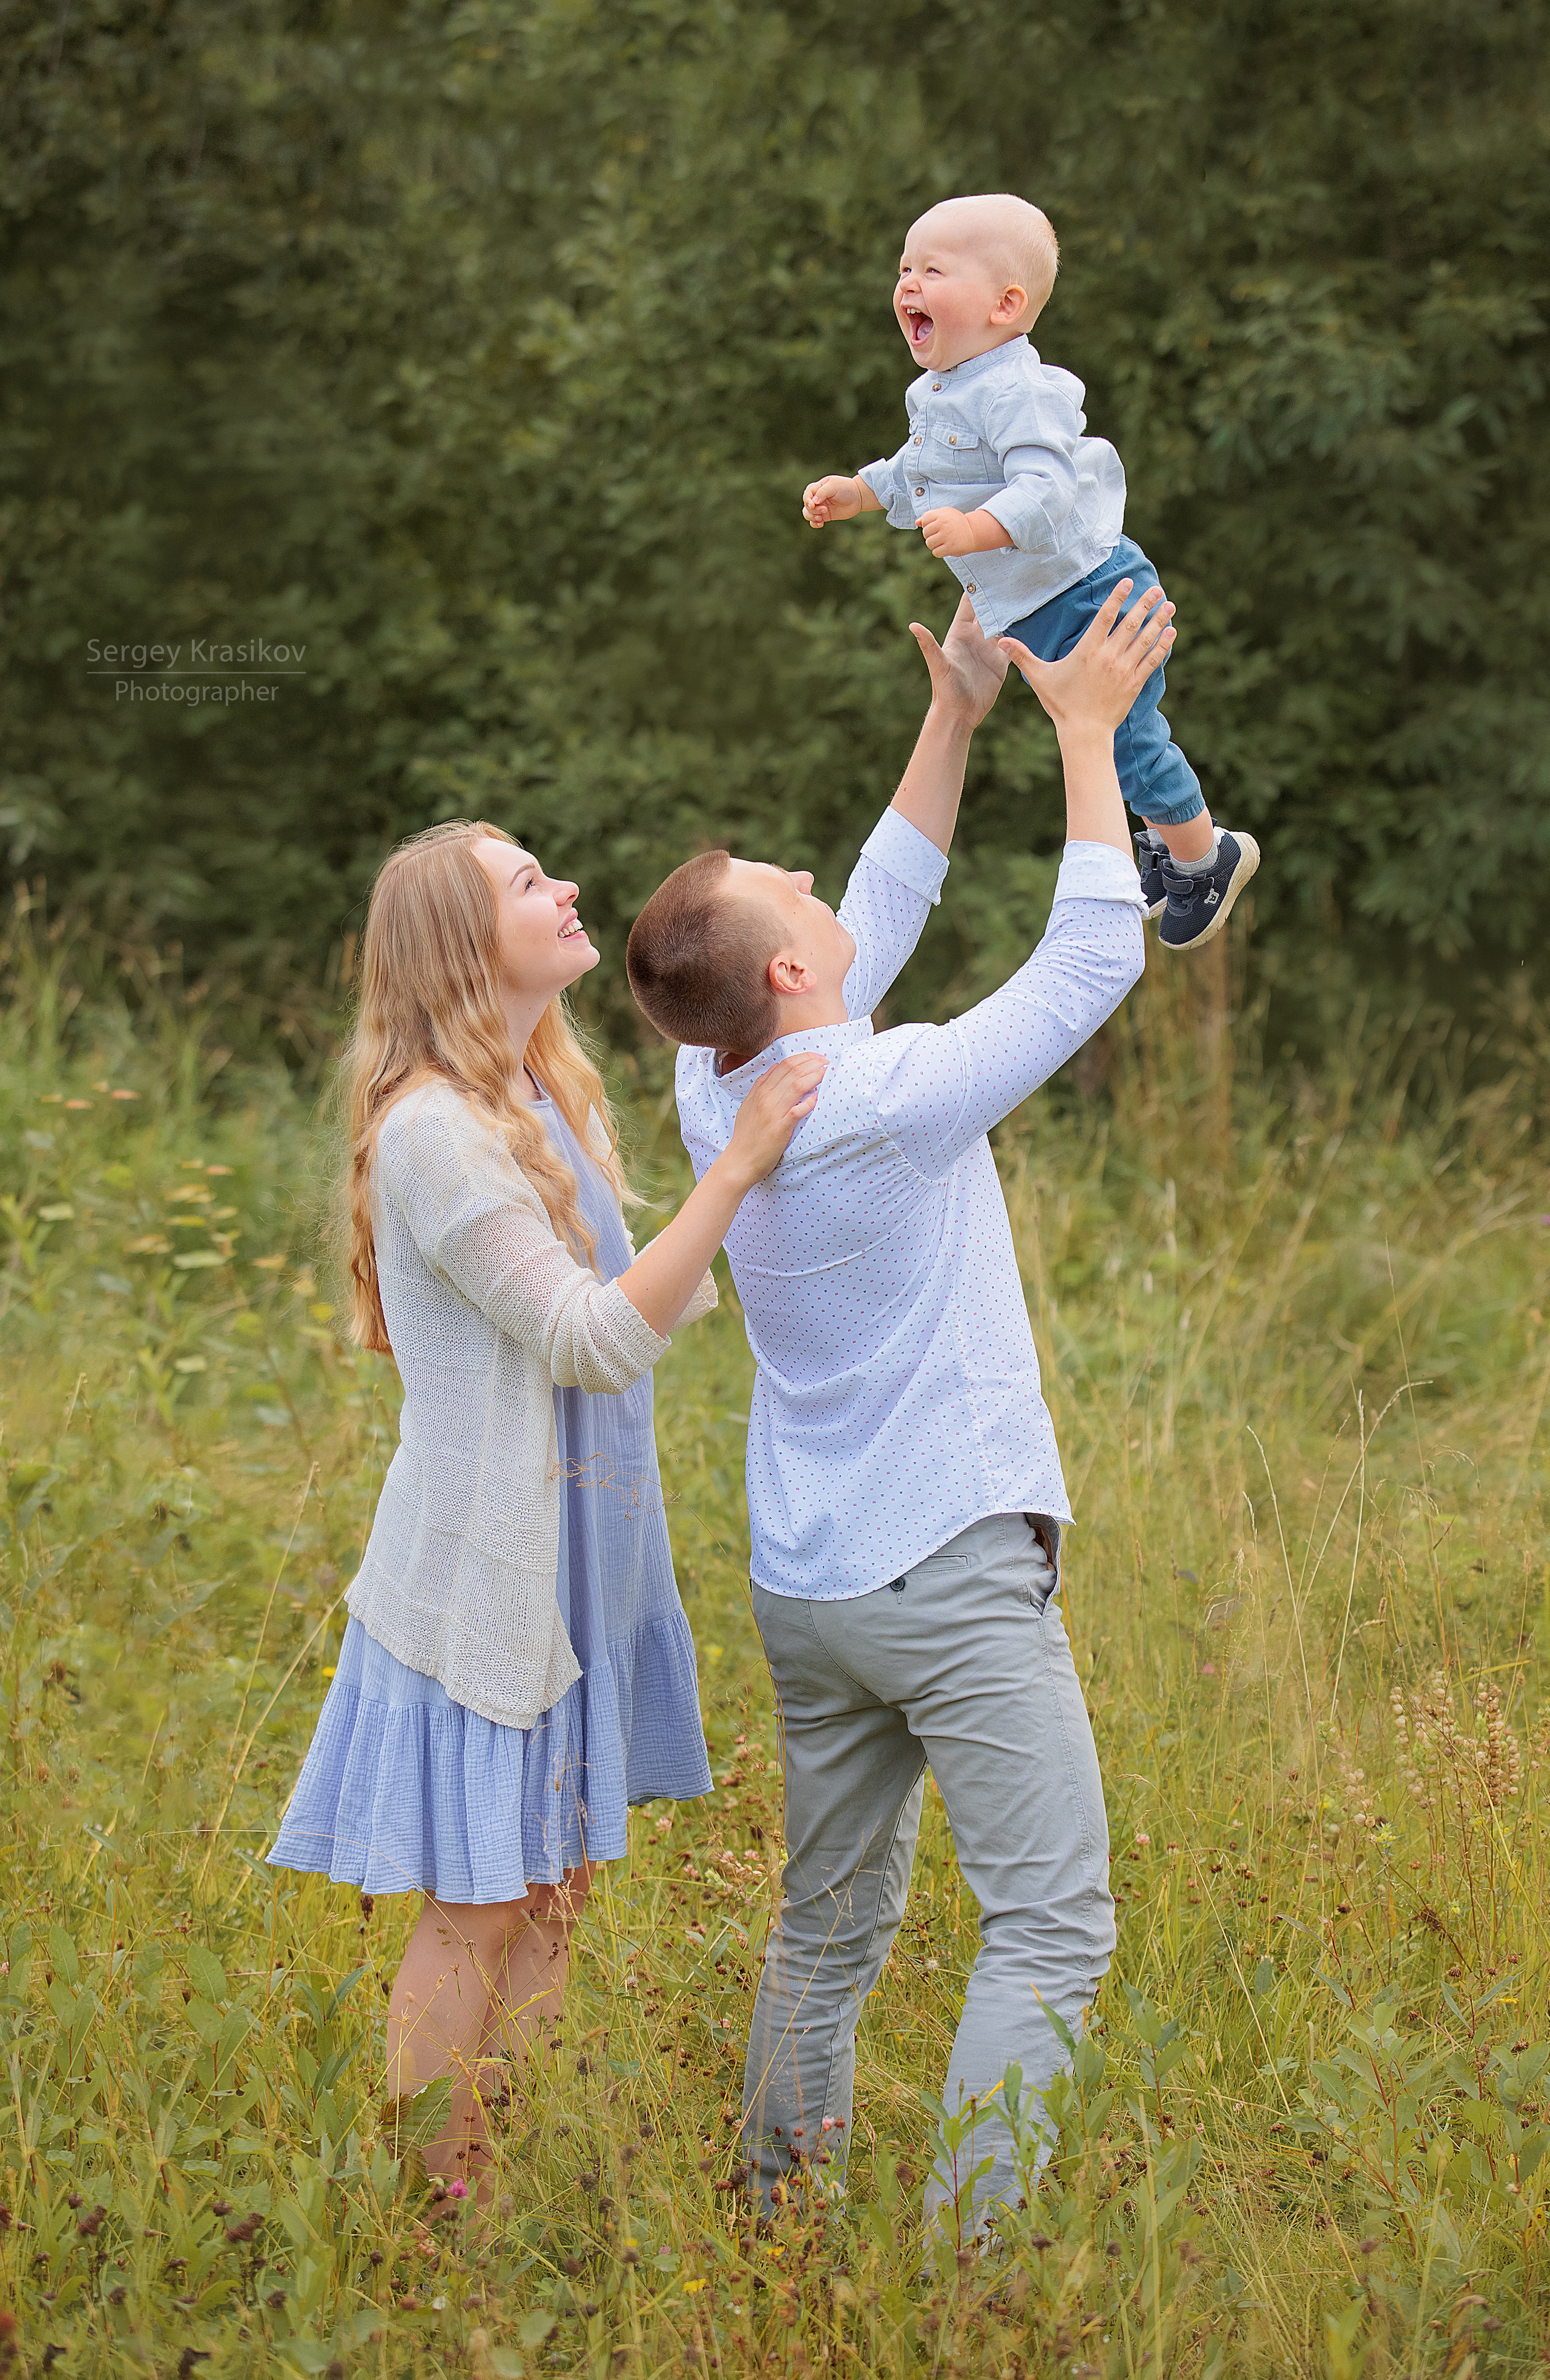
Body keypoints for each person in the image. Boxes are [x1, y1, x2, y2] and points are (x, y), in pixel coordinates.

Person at [624, 580, 1172, 2246]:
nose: (813, 872)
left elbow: (864, 907)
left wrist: (952, 714)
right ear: (789, 966)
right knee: (1052, 1925)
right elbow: (1091, 957)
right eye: (784, 883)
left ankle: (780, 2224)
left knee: (830, 1920)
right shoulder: (885, 1097)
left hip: (813, 1583)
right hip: (943, 1570)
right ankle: (972, 2266)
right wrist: (1086, 735)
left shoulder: (719, 1078)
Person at [268, 820, 825, 2200]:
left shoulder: (542, 1092)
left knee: (555, 1888)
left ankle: (499, 2183)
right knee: (479, 1899)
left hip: (588, 1552)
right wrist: (737, 1168)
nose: (566, 887)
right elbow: (591, 1338)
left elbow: (653, 1297)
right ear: (465, 945)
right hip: (493, 1569)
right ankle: (433, 2213)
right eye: (528, 882)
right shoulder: (434, 1132)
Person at [801, 189, 1258, 953]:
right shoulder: (943, 390)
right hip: (1042, 603)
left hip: (1091, 594)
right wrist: (859, 491)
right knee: (1110, 746)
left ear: (1005, 305)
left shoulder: (1020, 390)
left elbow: (1047, 491)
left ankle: (1205, 859)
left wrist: (977, 527)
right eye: (904, 268)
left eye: (933, 271)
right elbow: (920, 467)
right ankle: (1167, 844)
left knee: (1127, 745)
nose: (908, 284)